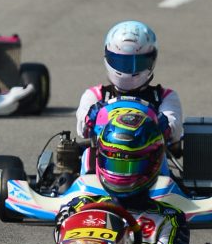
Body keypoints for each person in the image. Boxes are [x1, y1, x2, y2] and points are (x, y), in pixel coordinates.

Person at [61, 107, 189, 244]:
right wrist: (63, 221)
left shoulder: (167, 218)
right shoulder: (80, 206)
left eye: (128, 165)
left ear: (152, 164)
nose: (120, 174)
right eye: (114, 164)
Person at [75, 20, 184, 158]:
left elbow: (174, 130)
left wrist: (159, 122)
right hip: (104, 160)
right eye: (120, 61)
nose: (128, 69)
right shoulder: (95, 95)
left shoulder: (165, 97)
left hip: (149, 162)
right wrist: (91, 117)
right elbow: (83, 129)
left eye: (138, 62)